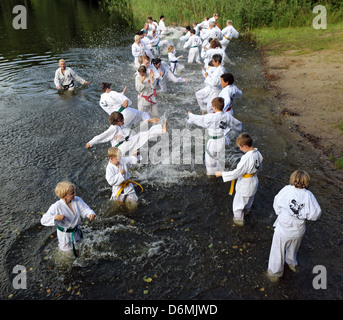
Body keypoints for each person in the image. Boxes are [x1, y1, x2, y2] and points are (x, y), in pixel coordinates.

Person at [267, 170, 322, 281]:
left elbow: (276, 203)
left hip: (283, 227)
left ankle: (275, 273)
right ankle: (291, 263)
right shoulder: (308, 195)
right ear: (307, 182)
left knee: (277, 251)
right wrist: (304, 216)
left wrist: (280, 212)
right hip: (298, 230)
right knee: (293, 248)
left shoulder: (286, 190)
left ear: (292, 179)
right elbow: (316, 214)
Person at [215, 133, 263, 226]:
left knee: (237, 207)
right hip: (254, 181)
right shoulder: (257, 153)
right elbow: (260, 167)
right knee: (249, 202)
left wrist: (222, 173)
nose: (240, 149)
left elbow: (236, 173)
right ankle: (247, 213)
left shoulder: (246, 158)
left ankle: (239, 223)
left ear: (245, 146)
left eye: (240, 147)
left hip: (245, 185)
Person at [188, 97, 242, 176]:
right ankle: (221, 173)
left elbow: (199, 119)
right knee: (220, 159)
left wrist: (190, 114)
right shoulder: (227, 116)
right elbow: (238, 125)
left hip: (213, 143)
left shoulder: (211, 117)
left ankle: (211, 176)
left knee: (210, 162)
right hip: (222, 141)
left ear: (214, 107)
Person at [40, 181, 96, 258]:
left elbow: (85, 209)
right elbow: (43, 220)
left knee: (81, 248)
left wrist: (90, 214)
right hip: (65, 236)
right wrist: (55, 217)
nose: (75, 194)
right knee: (67, 256)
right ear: (63, 196)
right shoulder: (56, 207)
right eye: (72, 193)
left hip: (76, 231)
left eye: (74, 192)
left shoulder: (77, 200)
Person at [85, 111, 167, 156]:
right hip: (120, 148)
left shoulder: (121, 126)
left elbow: (132, 131)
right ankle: (161, 130)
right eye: (122, 121)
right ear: (116, 121)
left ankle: (161, 130)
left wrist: (148, 121)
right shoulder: (114, 128)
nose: (123, 122)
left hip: (125, 145)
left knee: (139, 137)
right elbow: (101, 136)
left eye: (123, 120)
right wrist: (90, 143)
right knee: (140, 135)